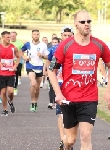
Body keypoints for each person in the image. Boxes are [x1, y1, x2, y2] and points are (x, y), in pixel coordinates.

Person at [48, 10, 110, 150]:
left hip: (89, 98)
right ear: (76, 24)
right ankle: (65, 146)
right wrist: (58, 93)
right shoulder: (65, 45)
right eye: (83, 22)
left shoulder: (99, 45)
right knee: (70, 140)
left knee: (86, 135)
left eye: (88, 21)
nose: (86, 24)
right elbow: (52, 70)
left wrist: (108, 91)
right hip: (69, 98)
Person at [47, 27, 74, 150]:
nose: (67, 38)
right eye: (65, 35)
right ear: (61, 36)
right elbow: (51, 65)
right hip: (60, 85)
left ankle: (69, 138)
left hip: (73, 85)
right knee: (62, 114)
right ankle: (62, 138)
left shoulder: (77, 48)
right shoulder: (54, 49)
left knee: (73, 115)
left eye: (70, 35)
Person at [0, 31, 20, 116]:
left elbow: (19, 57)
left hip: (10, 73)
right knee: (3, 92)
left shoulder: (13, 48)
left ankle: (10, 101)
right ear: (3, 38)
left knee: (10, 92)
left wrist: (15, 66)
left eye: (10, 37)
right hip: (1, 73)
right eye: (7, 37)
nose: (9, 39)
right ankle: (5, 110)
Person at [21, 30, 49, 112]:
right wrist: (24, 57)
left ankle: (35, 102)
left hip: (39, 66)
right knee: (33, 84)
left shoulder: (43, 45)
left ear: (39, 35)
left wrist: (42, 55)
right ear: (32, 35)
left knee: (37, 87)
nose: (36, 36)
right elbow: (21, 51)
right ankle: (32, 102)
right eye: (34, 34)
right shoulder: (28, 44)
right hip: (30, 66)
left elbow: (47, 56)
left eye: (37, 34)